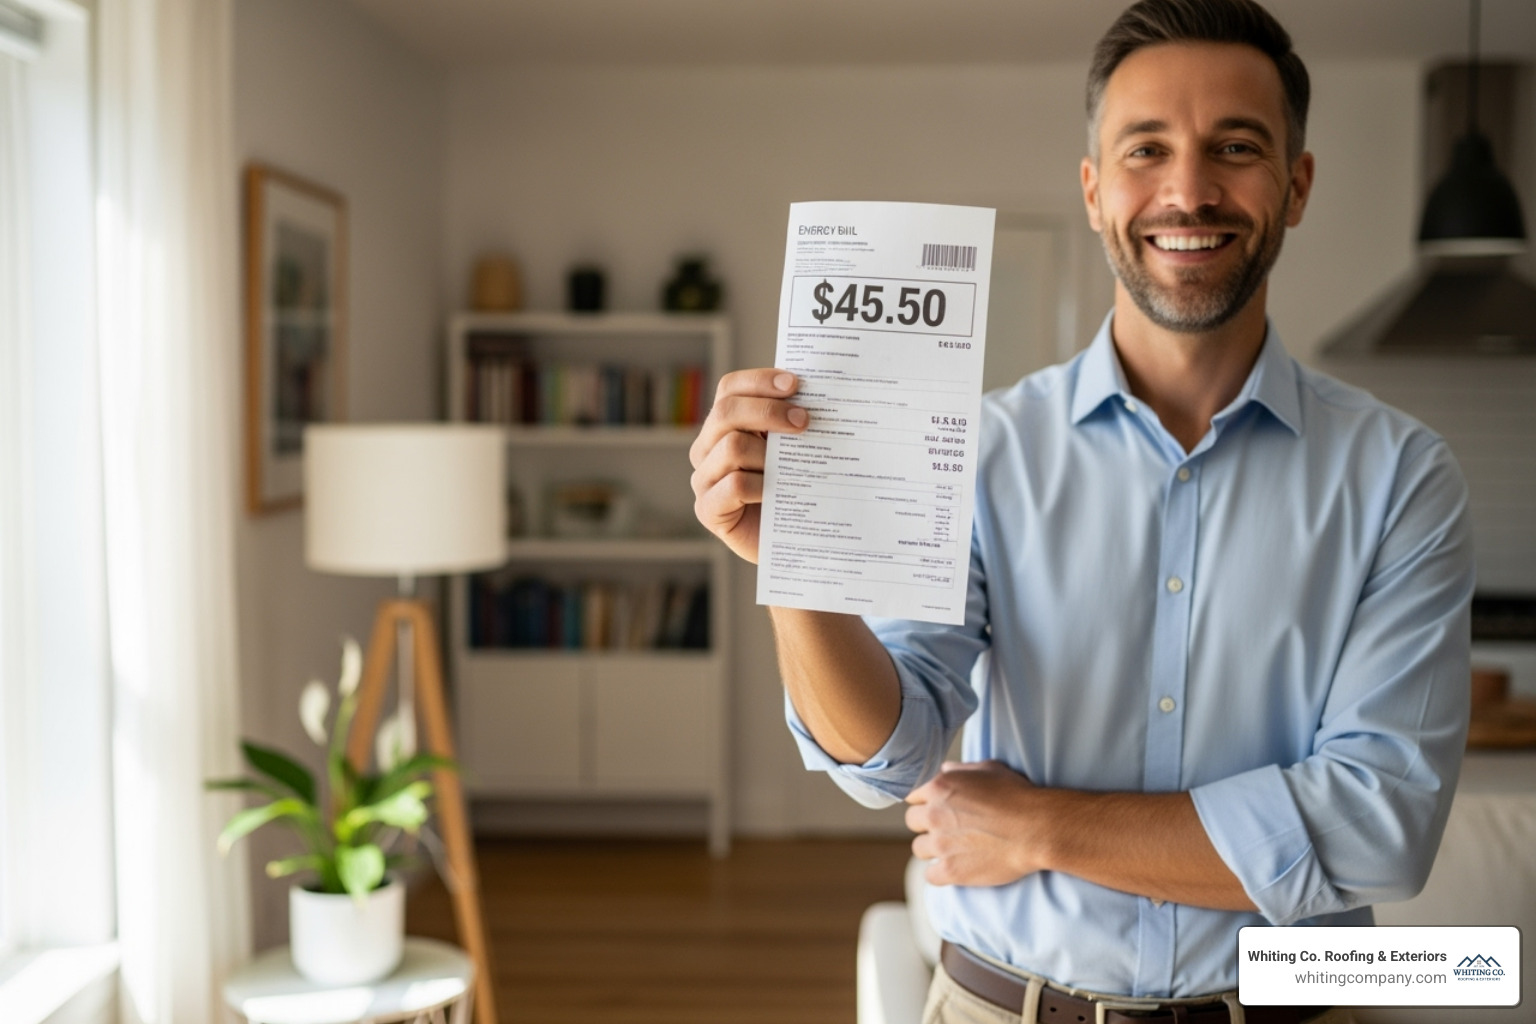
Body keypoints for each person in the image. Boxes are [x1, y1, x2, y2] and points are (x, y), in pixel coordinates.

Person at [688, 1, 1474, 1021]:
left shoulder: (1403, 476)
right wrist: (799, 563)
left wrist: (1037, 827)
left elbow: (1380, 830)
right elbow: (892, 756)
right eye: (1147, 150)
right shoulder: (980, 454)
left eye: (1236, 147)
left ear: (1297, 185)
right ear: (1096, 190)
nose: (1188, 190)